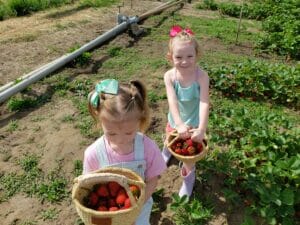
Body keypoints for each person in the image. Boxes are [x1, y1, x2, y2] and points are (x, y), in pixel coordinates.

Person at [83, 79, 167, 225]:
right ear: (99, 118)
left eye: (129, 133)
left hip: (139, 210)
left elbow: (153, 179)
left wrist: (135, 207)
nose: (120, 140)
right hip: (109, 213)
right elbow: (87, 185)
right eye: (112, 134)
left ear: (140, 119)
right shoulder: (94, 154)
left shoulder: (147, 148)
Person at [162, 25, 210, 198]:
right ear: (170, 57)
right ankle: (167, 149)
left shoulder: (202, 77)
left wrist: (201, 129)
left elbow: (204, 102)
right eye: (179, 57)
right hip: (176, 120)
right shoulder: (170, 76)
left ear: (197, 55)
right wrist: (179, 124)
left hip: (195, 123)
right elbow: (172, 101)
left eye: (190, 56)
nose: (185, 61)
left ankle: (188, 178)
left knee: (189, 156)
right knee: (171, 138)